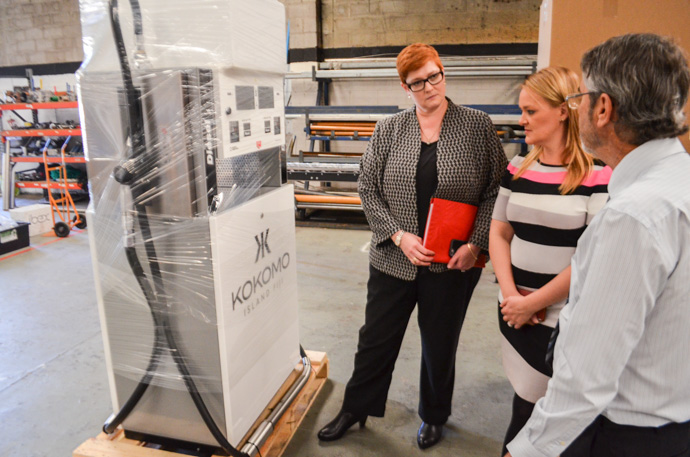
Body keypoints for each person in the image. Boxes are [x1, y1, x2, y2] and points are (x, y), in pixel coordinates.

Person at [505, 33, 690, 457]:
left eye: (582, 98)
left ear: (603, 108)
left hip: (622, 434)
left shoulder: (634, 217)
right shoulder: (677, 182)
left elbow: (587, 376)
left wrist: (528, 449)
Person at [316, 43, 507, 449]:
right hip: (393, 258)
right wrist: (399, 236)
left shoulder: (476, 126)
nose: (429, 87)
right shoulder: (390, 129)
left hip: (453, 262)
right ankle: (356, 408)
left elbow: (496, 190)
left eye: (434, 76)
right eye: (417, 82)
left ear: (443, 73)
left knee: (440, 343)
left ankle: (434, 415)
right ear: (405, 87)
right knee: (376, 338)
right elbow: (367, 187)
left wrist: (475, 245)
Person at [489, 66, 611, 456]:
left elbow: (593, 259)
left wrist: (534, 303)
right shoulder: (517, 167)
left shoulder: (597, 176)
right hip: (514, 313)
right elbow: (499, 232)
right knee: (525, 402)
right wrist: (512, 296)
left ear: (563, 111)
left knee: (546, 415)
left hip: (562, 319)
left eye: (531, 111)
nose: (521, 120)